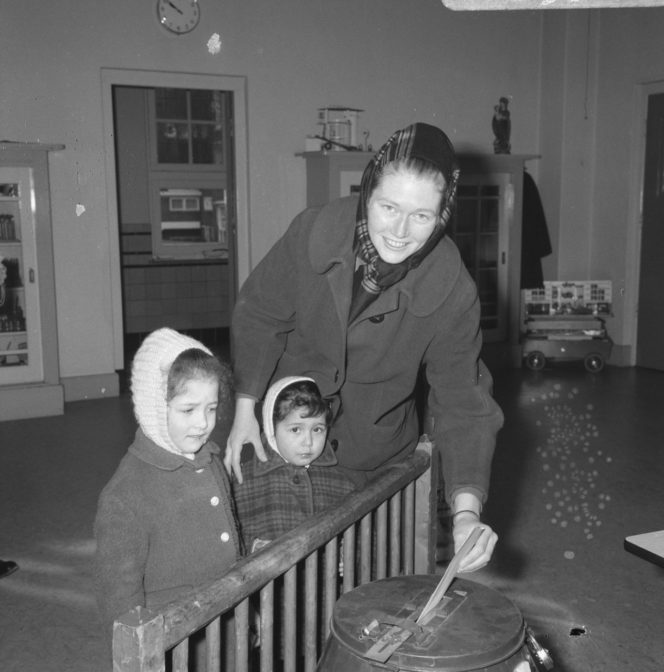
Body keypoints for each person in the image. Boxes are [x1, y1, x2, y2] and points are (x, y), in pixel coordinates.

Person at [225, 122, 502, 572]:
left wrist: (466, 513)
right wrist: (243, 412)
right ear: (366, 193)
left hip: (369, 457)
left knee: (357, 584)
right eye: (388, 206)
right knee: (267, 578)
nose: (400, 230)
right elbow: (259, 314)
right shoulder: (312, 231)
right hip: (282, 434)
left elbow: (464, 404)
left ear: (444, 213)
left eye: (422, 215)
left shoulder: (453, 288)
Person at [93, 328, 242, 639]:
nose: (203, 423)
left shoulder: (211, 461)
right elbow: (119, 601)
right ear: (155, 406)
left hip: (227, 627)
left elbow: (231, 551)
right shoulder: (124, 496)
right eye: (187, 410)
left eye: (211, 408)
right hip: (177, 641)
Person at [232, 376, 356, 552]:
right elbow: (228, 537)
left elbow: (361, 532)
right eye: (296, 429)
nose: (308, 442)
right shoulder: (242, 483)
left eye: (317, 429)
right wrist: (253, 548)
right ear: (271, 428)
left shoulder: (342, 483)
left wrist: (349, 551)